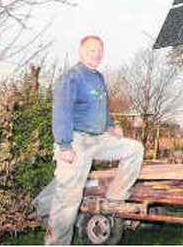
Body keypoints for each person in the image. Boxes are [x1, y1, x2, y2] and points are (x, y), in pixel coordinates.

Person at [45, 35, 144, 245]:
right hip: (76, 142)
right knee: (68, 200)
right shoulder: (71, 77)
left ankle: (115, 198)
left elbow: (100, 107)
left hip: (98, 139)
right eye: (92, 50)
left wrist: (110, 125)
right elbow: (61, 113)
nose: (97, 54)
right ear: (81, 52)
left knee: (134, 149)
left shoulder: (98, 77)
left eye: (100, 50)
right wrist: (64, 146)